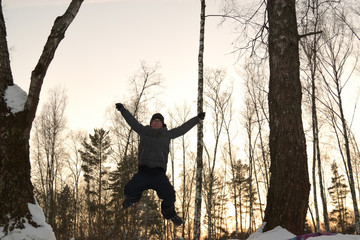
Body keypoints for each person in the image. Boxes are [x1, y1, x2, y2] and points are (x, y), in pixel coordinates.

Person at [115, 103, 205, 226]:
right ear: (151, 123)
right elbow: (132, 122)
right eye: (154, 121)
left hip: (158, 174)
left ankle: (170, 215)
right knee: (129, 189)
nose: (156, 123)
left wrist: (197, 119)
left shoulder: (167, 134)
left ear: (162, 124)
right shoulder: (143, 131)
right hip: (144, 172)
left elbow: (182, 128)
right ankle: (132, 199)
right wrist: (123, 110)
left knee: (170, 195)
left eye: (158, 121)